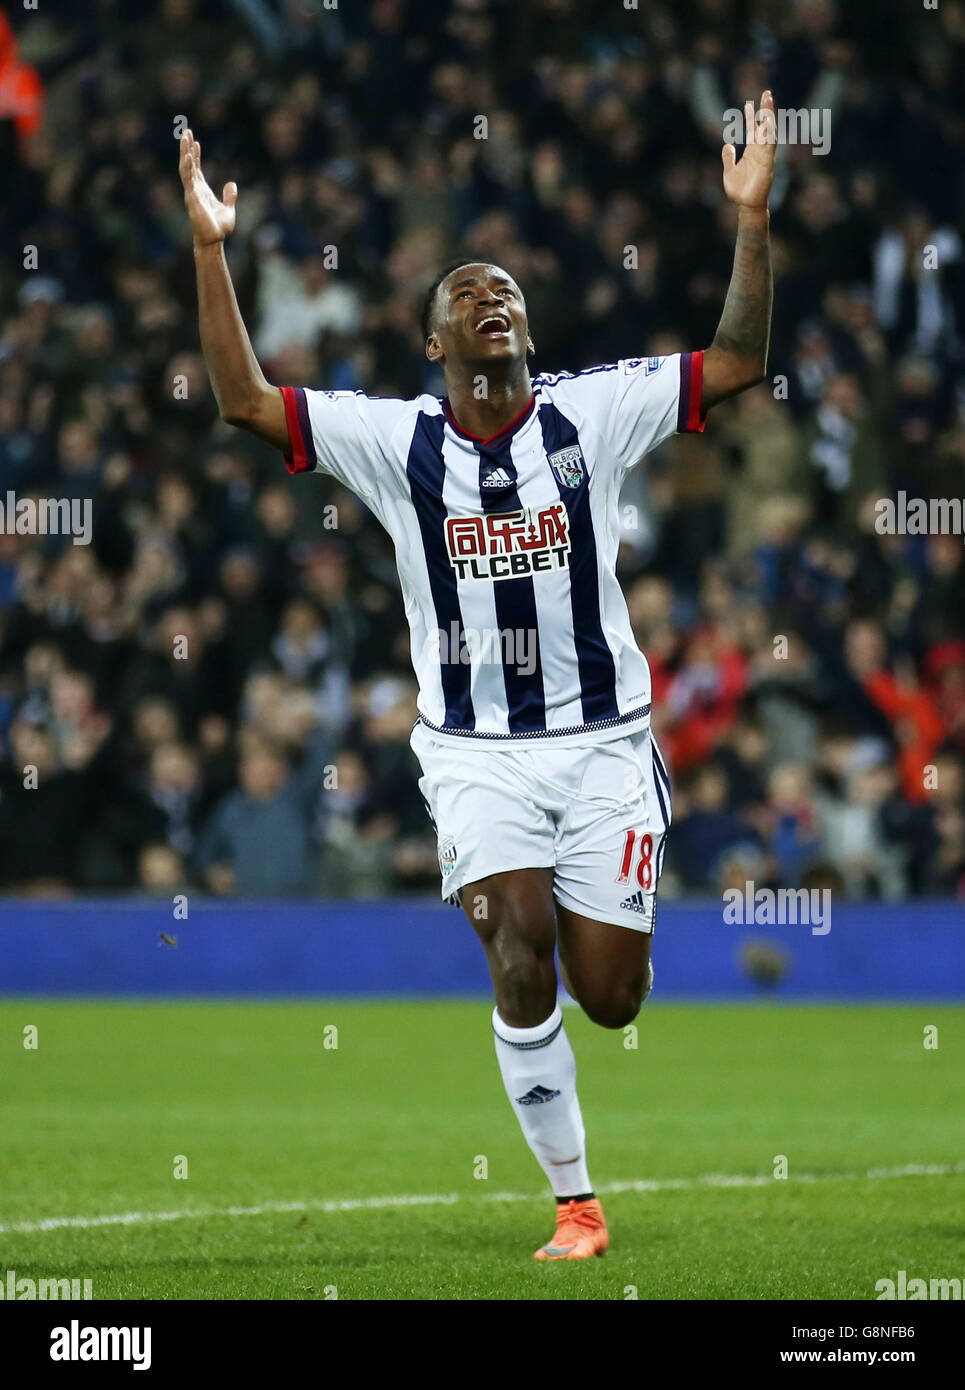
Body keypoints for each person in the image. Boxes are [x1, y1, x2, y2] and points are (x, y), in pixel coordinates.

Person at [180, 93, 776, 1260]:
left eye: (502, 290)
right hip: (472, 750)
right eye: (464, 296)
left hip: (603, 739)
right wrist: (211, 248)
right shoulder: (391, 438)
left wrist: (749, 220)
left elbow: (742, 359)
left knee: (610, 997)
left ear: (524, 329)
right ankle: (575, 1203)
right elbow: (244, 401)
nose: (488, 300)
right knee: (514, 944)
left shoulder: (590, 413)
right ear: (434, 345)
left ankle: (601, 936)